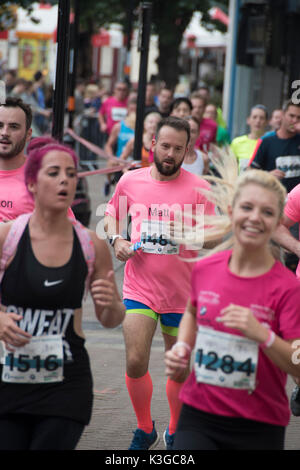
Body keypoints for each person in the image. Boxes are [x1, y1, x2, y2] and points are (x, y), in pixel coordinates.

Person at [165, 150, 300, 450]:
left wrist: (262, 335)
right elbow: (191, 309)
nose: (254, 218)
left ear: (278, 220)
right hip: (199, 416)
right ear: (230, 211)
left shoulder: (288, 288)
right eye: (247, 207)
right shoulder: (205, 268)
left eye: (267, 212)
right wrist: (183, 348)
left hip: (260, 424)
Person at [0, 142, 125, 450]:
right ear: (31, 183)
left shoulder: (91, 244)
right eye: (54, 173)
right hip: (10, 381)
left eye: (71, 174)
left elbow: (111, 319)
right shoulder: (8, 236)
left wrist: (110, 303)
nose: (65, 181)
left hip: (66, 384)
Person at [104, 116, 215, 450]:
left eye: (178, 149)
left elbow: (215, 234)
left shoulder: (200, 188)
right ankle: (144, 427)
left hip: (183, 295)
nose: (170, 154)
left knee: (177, 368)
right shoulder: (130, 181)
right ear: (153, 143)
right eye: (165, 146)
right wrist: (116, 240)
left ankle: (175, 430)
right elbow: (111, 216)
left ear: (186, 151)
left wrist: (187, 233)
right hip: (140, 288)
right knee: (136, 360)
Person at [249, 100, 300, 193]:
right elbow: (250, 173)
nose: (295, 120)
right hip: (273, 200)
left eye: (299, 117)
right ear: (283, 115)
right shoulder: (267, 142)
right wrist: (267, 175)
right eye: (291, 116)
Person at [231, 104, 268, 173]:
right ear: (248, 120)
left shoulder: (269, 142)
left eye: (262, 118)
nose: (258, 121)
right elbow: (230, 169)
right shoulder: (236, 142)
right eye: (254, 117)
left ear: (266, 122)